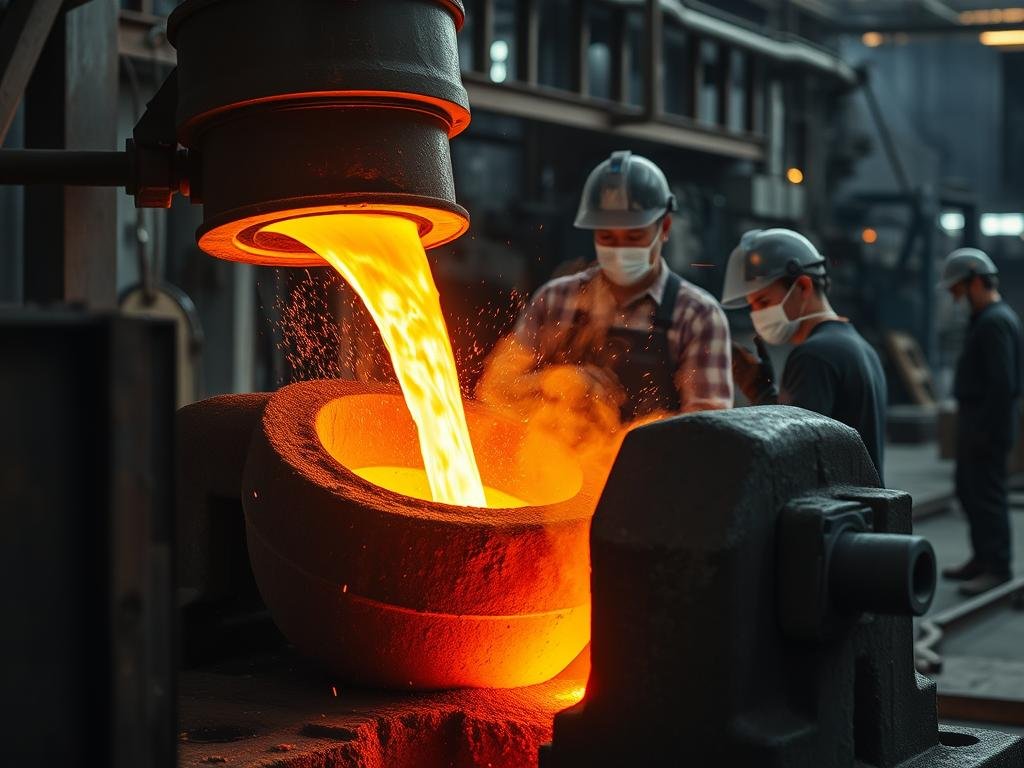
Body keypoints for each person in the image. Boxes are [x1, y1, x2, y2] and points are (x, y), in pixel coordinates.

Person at [476, 150, 732, 444]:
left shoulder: (697, 316)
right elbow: (495, 389)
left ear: (664, 228)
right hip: (551, 475)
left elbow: (709, 437)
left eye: (634, 237)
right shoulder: (557, 299)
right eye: (607, 237)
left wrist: (625, 440)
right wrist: (553, 382)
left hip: (651, 482)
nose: (620, 249)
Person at [721, 228, 888, 481]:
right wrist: (762, 391)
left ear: (802, 286)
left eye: (763, 302)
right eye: (752, 306)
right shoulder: (858, 347)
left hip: (834, 511)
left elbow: (793, 460)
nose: (756, 315)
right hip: (859, 512)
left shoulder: (814, 356)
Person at [939, 248, 1023, 596]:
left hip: (988, 425)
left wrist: (985, 432)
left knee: (987, 495)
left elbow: (1003, 385)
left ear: (976, 282)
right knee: (969, 490)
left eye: (959, 289)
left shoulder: (994, 322)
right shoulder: (987, 319)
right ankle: (982, 557)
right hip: (978, 422)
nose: (956, 298)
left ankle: (997, 567)